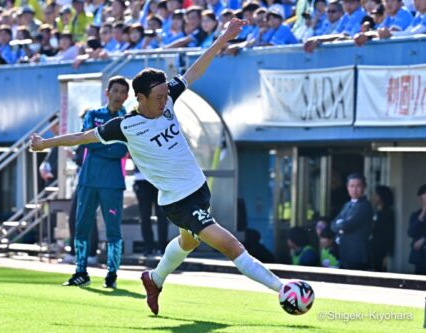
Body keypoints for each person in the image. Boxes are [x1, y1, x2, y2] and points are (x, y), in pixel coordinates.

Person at [30, 18, 284, 316]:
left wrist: (223, 37)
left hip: (199, 189)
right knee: (231, 246)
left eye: (167, 95)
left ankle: (154, 278)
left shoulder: (168, 100)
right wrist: (44, 144)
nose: (166, 101)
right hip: (177, 202)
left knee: (187, 243)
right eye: (160, 97)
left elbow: (194, 70)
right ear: (140, 99)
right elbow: (82, 137)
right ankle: (285, 289)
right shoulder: (125, 126)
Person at [60, 76, 129, 289]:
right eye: (115, 91)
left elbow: (122, 149)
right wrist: (107, 145)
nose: (118, 95)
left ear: (127, 96)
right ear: (107, 93)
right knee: (82, 226)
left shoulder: (128, 119)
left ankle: (112, 274)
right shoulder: (92, 115)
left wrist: (100, 143)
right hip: (88, 179)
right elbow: (87, 140)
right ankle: (81, 271)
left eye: (122, 92)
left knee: (113, 230)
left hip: (113, 182)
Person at [331, 173, 373, 270]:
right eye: (352, 186)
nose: (354, 189)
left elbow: (347, 225)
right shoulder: (347, 205)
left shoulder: (364, 206)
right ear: (347, 187)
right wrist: (340, 225)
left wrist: (341, 225)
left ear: (364, 187)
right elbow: (333, 225)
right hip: (345, 253)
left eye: (358, 186)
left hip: (357, 255)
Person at [134, 166, 169, 256]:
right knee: (144, 216)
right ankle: (148, 248)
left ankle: (163, 248)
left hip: (160, 177)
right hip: (142, 178)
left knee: (162, 215)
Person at [370, 185, 395, 272]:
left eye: (376, 195)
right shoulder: (376, 212)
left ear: (382, 197)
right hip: (373, 248)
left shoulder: (388, 213)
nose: (373, 197)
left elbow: (388, 234)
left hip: (381, 251)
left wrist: (386, 255)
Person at [408, 184, 426, 275]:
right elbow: (411, 232)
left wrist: (423, 239)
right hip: (420, 257)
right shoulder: (415, 215)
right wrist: (422, 215)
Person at [39, 115, 59, 186]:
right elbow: (47, 159)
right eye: (51, 126)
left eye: (54, 126)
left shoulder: (64, 140)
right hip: (51, 178)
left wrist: (51, 173)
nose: (52, 129)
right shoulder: (54, 140)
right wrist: (42, 168)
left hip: (57, 179)